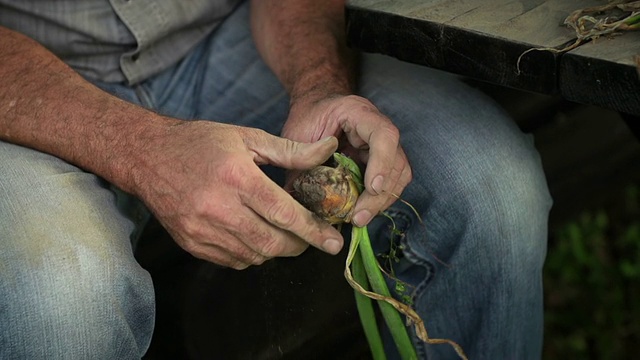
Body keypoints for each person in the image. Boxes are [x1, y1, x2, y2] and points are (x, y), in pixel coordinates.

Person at [0, 0, 552, 358]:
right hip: (31, 92)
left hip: (234, 32)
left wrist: (317, 84)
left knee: (489, 187)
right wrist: (142, 147)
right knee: (60, 298)